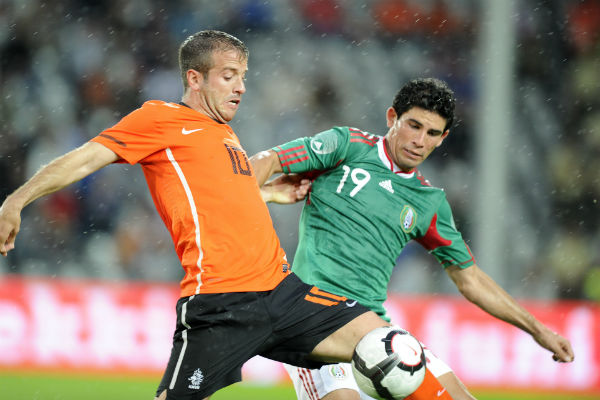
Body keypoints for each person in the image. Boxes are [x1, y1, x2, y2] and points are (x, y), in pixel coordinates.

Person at [0, 30, 406, 400]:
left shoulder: (224, 132)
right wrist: (16, 200)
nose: (241, 87)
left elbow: (214, 199)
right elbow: (87, 158)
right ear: (195, 79)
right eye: (229, 76)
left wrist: (266, 194)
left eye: (243, 76)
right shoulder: (160, 118)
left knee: (392, 346)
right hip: (221, 303)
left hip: (283, 293)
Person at [250, 78, 575, 400]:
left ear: (443, 138)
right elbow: (268, 161)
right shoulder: (347, 145)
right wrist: (247, 204)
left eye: (432, 133)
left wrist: (539, 330)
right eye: (414, 125)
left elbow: (470, 280)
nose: (419, 141)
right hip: (312, 321)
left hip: (373, 330)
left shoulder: (428, 202)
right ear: (392, 117)